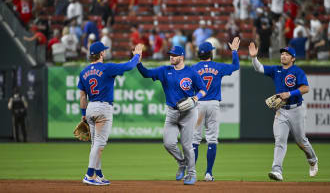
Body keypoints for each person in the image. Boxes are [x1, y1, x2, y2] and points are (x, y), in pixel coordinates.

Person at [136, 45, 207, 185]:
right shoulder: (164, 70)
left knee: (187, 145)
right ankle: (182, 162)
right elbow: (146, 73)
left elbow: (203, 89)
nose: (171, 57)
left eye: (174, 55)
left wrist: (195, 98)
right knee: (168, 144)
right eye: (170, 54)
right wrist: (138, 62)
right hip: (172, 112)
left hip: (188, 113)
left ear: (181, 56)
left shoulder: (191, 72)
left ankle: (192, 174)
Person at [248, 43, 318, 181]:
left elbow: (306, 88)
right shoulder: (276, 70)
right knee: (280, 140)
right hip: (282, 111)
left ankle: (313, 160)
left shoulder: (297, 71)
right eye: (282, 54)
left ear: (293, 58)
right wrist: (254, 57)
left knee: (301, 141)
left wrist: (290, 93)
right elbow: (259, 68)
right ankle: (277, 170)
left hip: (297, 109)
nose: (283, 56)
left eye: (287, 54)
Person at [78, 41, 144, 185]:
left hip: (90, 108)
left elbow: (83, 96)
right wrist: (136, 56)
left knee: (95, 144)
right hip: (103, 109)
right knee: (99, 145)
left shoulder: (83, 72)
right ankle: (89, 175)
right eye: (104, 51)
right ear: (101, 53)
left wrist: (83, 113)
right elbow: (128, 66)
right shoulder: (107, 67)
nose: (105, 53)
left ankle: (99, 174)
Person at [191, 38, 240, 182]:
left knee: (195, 140)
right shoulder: (218, 66)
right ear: (211, 53)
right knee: (212, 139)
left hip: (198, 104)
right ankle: (208, 173)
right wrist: (234, 51)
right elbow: (235, 66)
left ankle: (191, 173)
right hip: (213, 104)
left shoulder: (193, 68)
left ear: (199, 54)